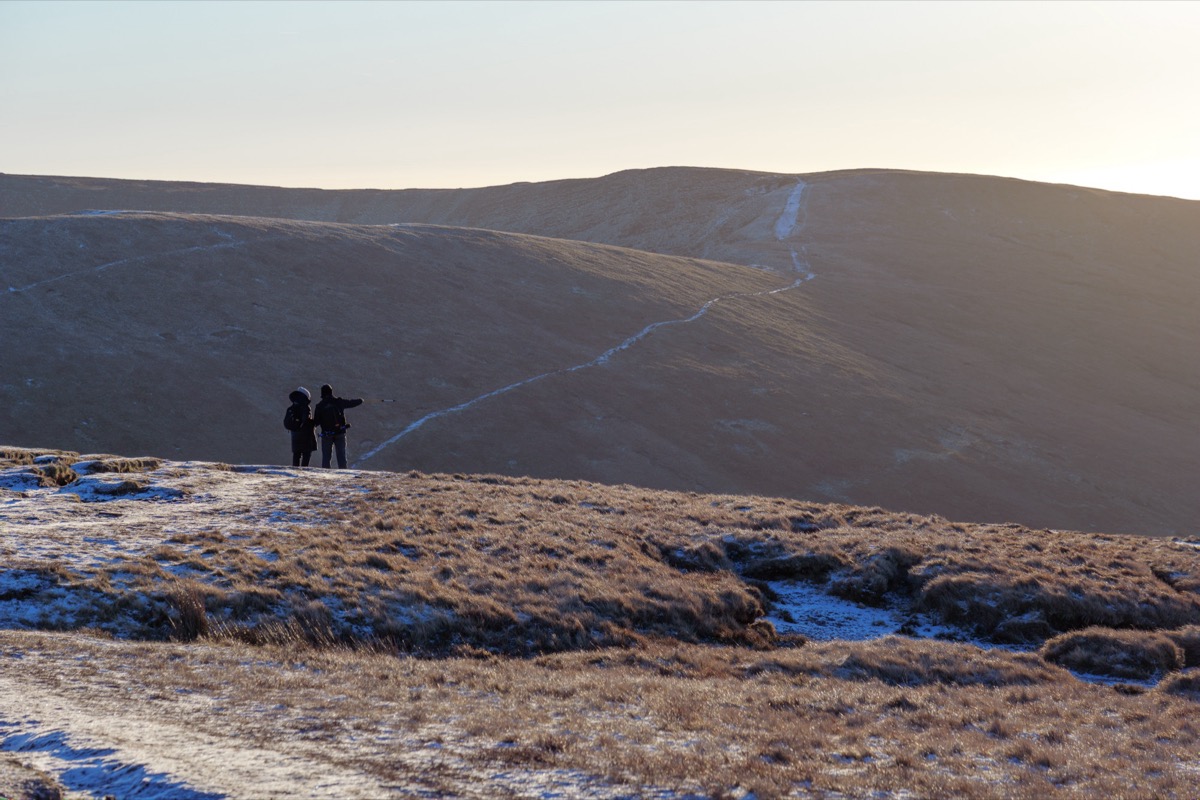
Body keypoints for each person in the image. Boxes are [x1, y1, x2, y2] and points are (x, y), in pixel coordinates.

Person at [313, 383, 363, 469]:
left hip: (326, 435)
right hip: (340, 432)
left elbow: (316, 422)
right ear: (331, 392)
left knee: (326, 457)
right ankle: (343, 474)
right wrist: (360, 400)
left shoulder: (319, 406)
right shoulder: (339, 402)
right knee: (341, 457)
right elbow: (351, 403)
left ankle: (325, 476)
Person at [284, 387, 317, 467]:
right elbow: (306, 420)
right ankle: (303, 472)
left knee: (296, 455)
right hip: (306, 435)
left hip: (295, 435)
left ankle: (295, 471)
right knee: (306, 454)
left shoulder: (291, 408)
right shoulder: (306, 407)